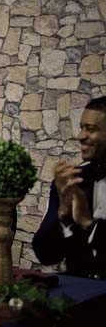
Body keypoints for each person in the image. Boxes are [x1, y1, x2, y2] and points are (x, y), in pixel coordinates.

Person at [33, 96, 106, 279]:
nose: (81, 136)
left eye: (91, 129)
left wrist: (88, 223)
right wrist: (63, 216)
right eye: (81, 127)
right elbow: (46, 256)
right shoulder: (73, 180)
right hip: (77, 294)